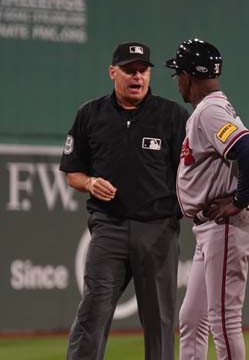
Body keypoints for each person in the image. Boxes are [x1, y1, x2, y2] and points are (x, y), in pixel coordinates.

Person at [60, 41, 189, 360]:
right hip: (109, 229)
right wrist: (90, 183)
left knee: (160, 323)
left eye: (143, 70)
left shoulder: (172, 116)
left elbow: (189, 175)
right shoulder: (90, 114)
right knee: (93, 312)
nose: (137, 76)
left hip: (158, 231)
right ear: (112, 72)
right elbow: (72, 172)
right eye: (129, 70)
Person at [166, 38, 249, 360]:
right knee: (192, 319)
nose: (177, 80)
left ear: (188, 76)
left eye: (178, 73)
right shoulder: (210, 108)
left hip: (226, 223)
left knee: (223, 321)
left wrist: (239, 199)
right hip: (210, 227)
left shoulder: (208, 111)